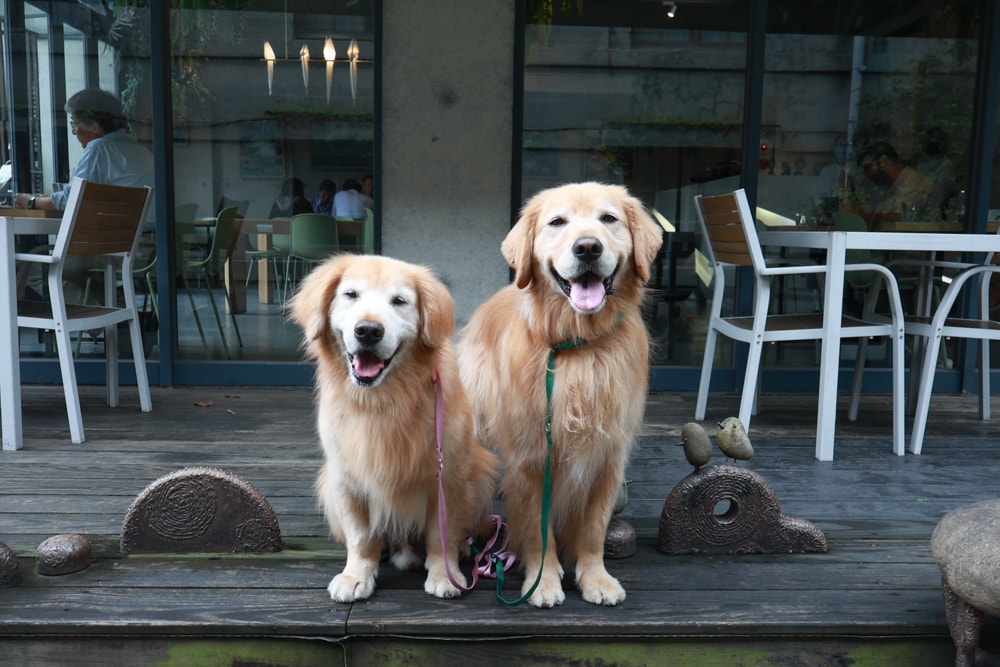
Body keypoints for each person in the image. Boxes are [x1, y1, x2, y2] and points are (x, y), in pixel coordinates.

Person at [12, 88, 155, 303]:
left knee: (33, 269)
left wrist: (31, 201)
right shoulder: (139, 150)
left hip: (110, 251)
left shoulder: (100, 148)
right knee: (80, 272)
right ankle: (112, 313)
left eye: (74, 125)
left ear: (95, 127)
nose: (73, 132)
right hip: (140, 248)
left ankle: (102, 320)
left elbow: (72, 200)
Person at [855, 141, 934, 223]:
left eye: (868, 168)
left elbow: (901, 218)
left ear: (884, 161)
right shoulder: (888, 186)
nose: (868, 175)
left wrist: (861, 216)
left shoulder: (912, 181)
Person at [915, 127, 957, 221]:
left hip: (934, 215)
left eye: (934, 142)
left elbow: (939, 195)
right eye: (928, 142)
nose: (929, 145)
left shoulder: (946, 166)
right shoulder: (922, 166)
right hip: (918, 212)